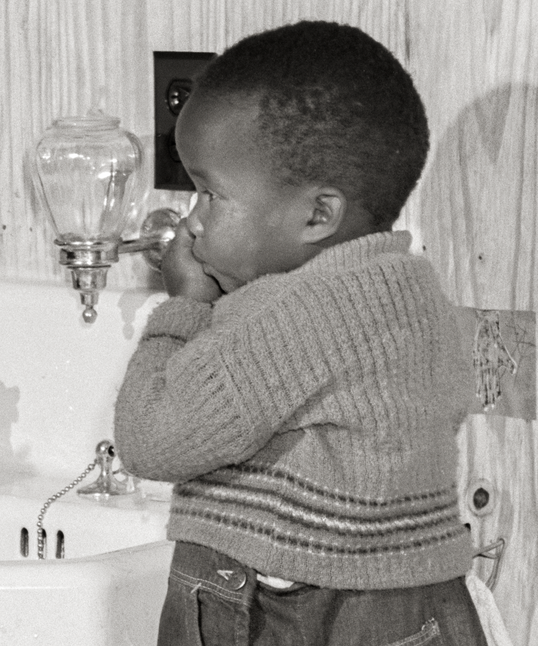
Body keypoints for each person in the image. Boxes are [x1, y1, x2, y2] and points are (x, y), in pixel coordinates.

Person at [113, 21, 489, 645]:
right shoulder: (411, 297)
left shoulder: (289, 316)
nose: (193, 221)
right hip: (414, 604)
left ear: (318, 214)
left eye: (210, 194)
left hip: (290, 609)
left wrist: (185, 307)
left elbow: (151, 439)